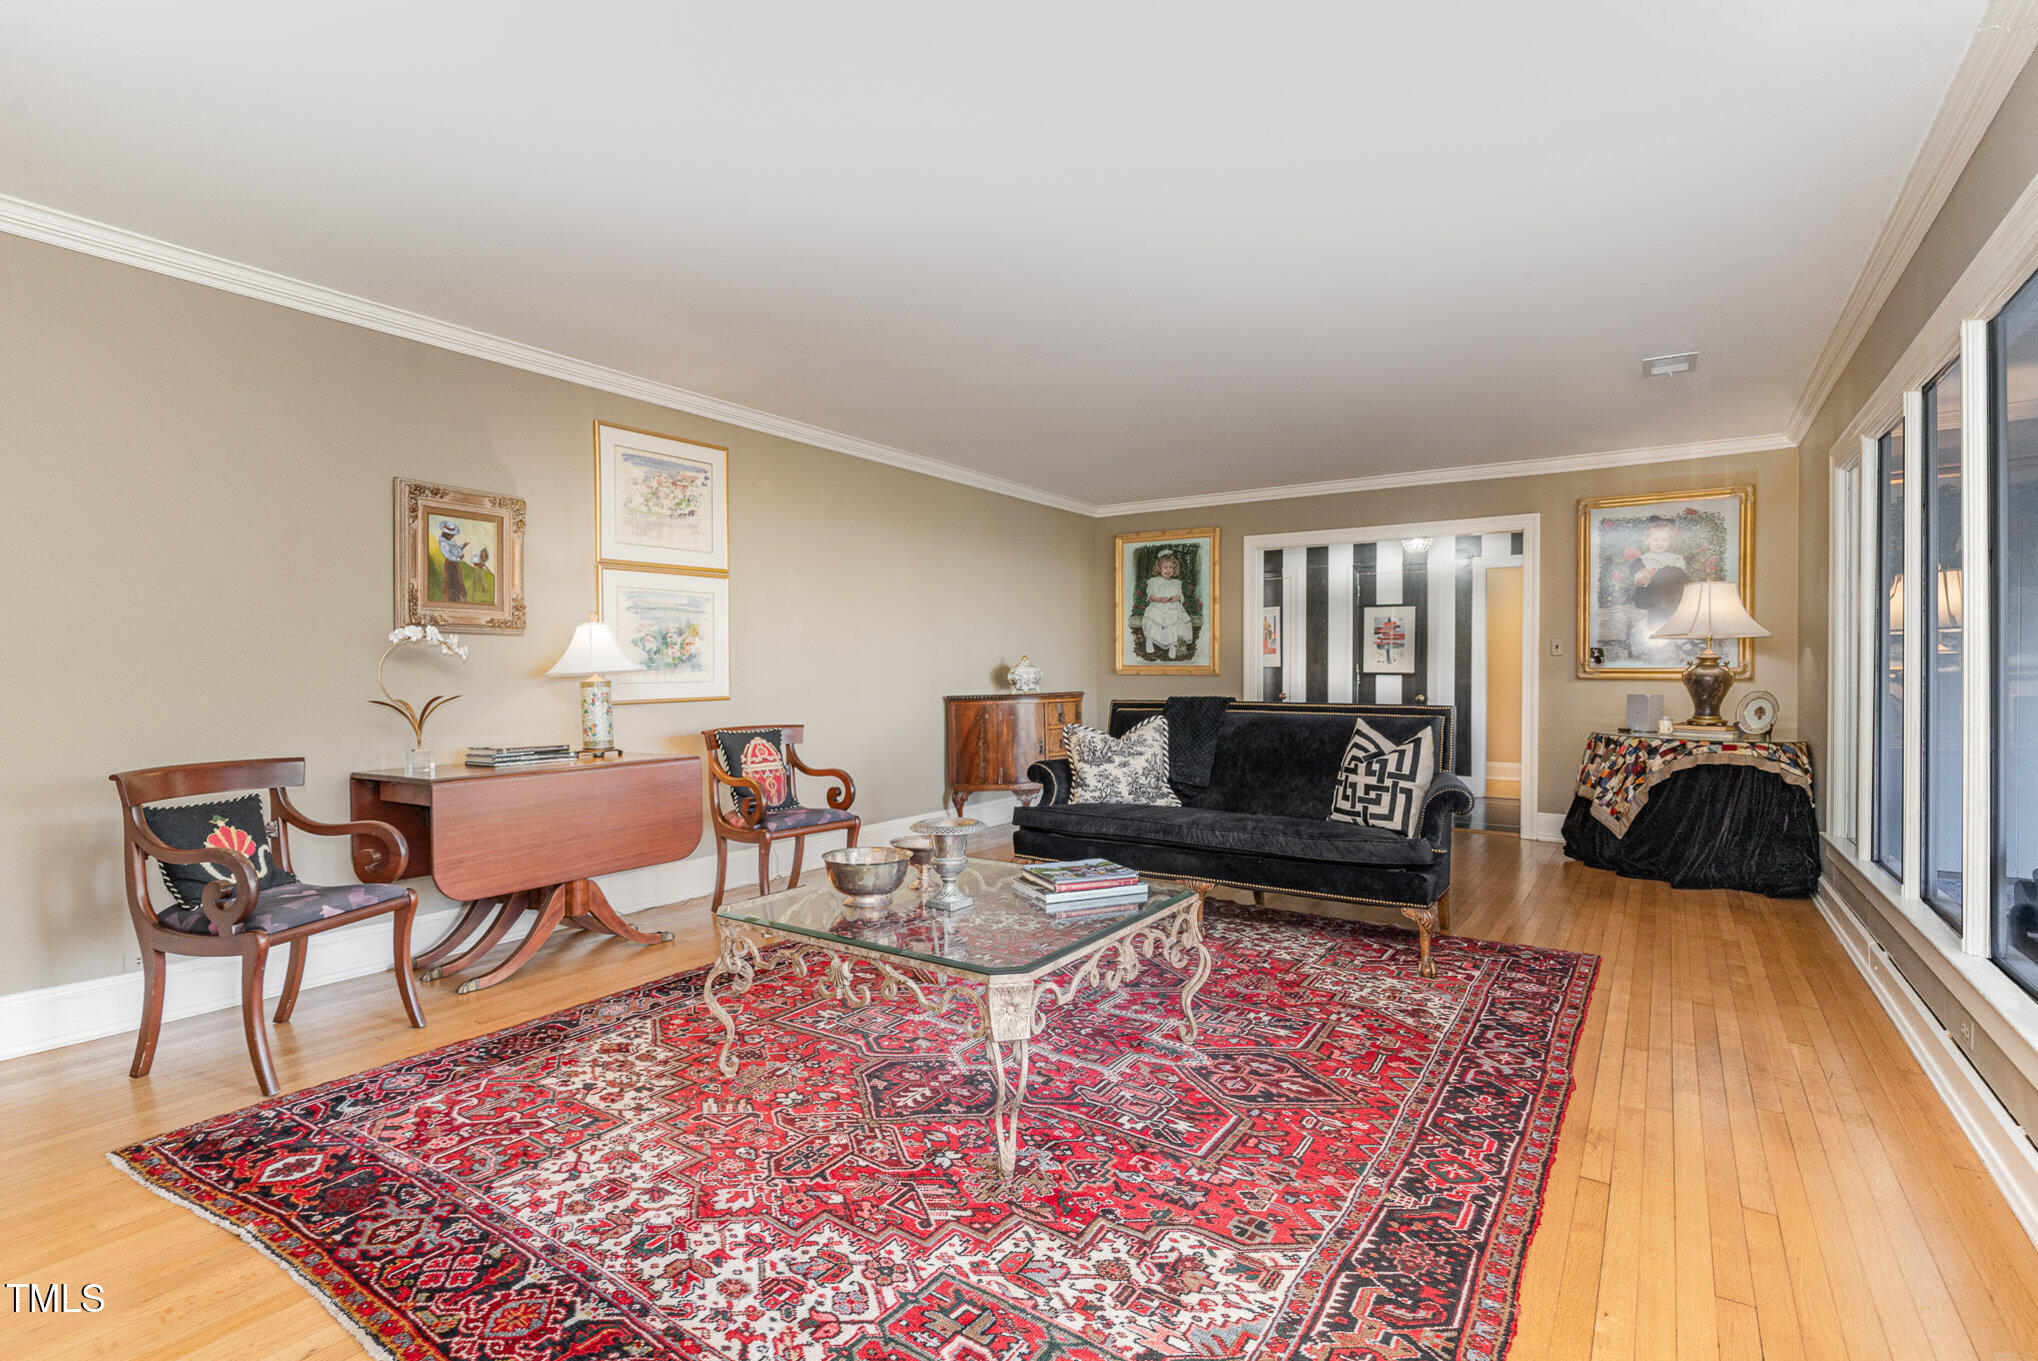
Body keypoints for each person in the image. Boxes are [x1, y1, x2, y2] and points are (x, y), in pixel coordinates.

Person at [1140, 550, 1194, 659]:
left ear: (1174, 569)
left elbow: (1180, 595)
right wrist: (1160, 599)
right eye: (1165, 567)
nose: (1168, 570)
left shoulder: (1176, 583)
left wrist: (1177, 597)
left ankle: (1172, 646)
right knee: (1154, 618)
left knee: (1173, 620)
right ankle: (1149, 641)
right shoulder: (1154, 581)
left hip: (1172, 607)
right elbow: (1151, 596)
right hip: (1158, 606)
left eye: (1171, 567)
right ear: (1159, 568)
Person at [437, 520, 469, 603]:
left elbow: (455, 550)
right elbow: (448, 555)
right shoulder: (444, 543)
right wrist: (459, 558)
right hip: (450, 564)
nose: (453, 536)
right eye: (452, 535)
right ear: (447, 534)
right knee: (451, 581)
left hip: (455, 563)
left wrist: (462, 546)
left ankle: (459, 598)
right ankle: (451, 599)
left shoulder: (451, 541)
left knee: (458, 581)